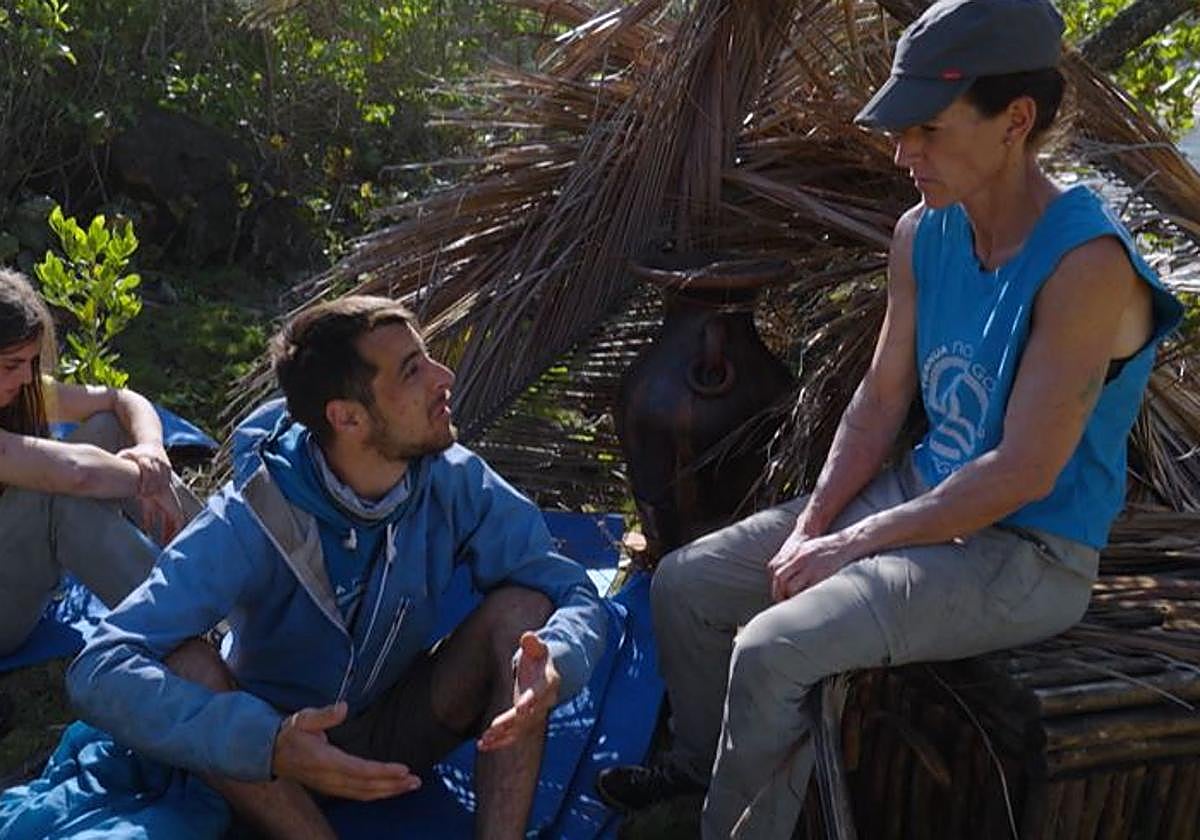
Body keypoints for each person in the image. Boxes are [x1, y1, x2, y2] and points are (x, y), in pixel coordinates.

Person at [594, 0, 1184, 837]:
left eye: (929, 130)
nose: (905, 153)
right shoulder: (924, 232)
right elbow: (879, 399)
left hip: (1026, 549)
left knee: (773, 647)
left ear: (1016, 120)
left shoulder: (1086, 265)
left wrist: (853, 544)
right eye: (902, 130)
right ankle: (700, 775)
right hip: (920, 500)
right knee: (686, 586)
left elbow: (1023, 471)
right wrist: (816, 526)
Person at [67, 295, 609, 840]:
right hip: (275, 761)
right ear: (347, 417)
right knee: (186, 660)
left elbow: (570, 589)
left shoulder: (452, 479)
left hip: (394, 725)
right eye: (412, 370)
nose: (444, 378)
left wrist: (557, 658)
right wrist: (267, 742)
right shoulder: (249, 518)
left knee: (523, 611)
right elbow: (100, 666)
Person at [0, 267, 194, 656]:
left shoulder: (22, 390)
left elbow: (120, 399)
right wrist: (146, 479)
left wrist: (152, 451)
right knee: (55, 499)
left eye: (31, 363)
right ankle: (186, 619)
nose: (25, 377)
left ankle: (223, 565)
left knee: (110, 425)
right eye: (11, 365)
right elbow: (74, 474)